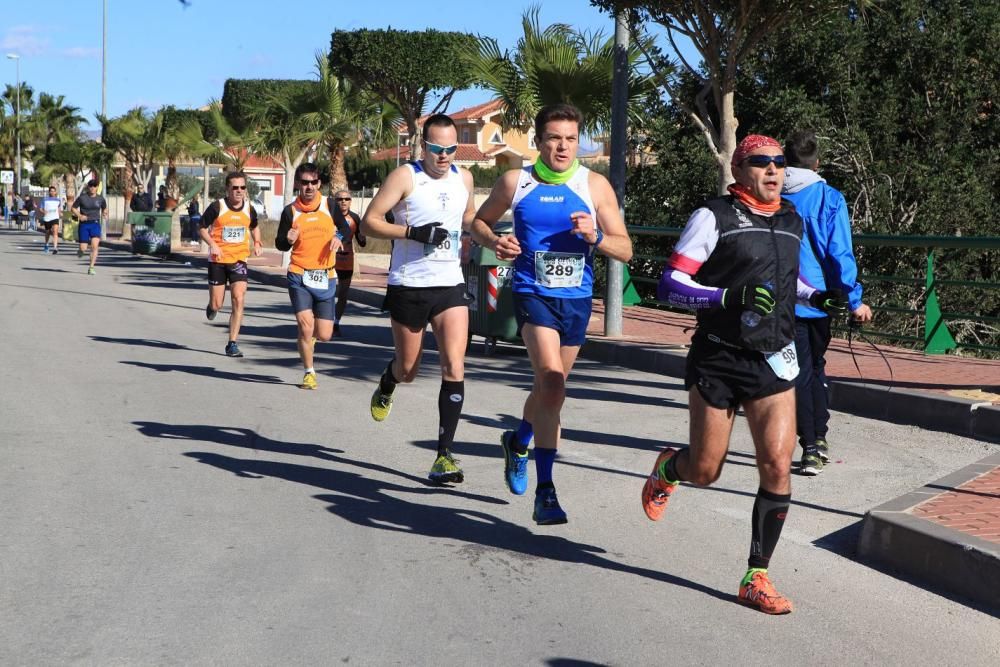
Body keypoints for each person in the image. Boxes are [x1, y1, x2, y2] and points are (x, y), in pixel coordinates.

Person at [645, 134, 846, 614]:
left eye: (779, 163)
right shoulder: (713, 217)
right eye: (761, 163)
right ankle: (672, 467)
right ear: (740, 170)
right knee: (707, 470)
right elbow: (670, 284)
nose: (774, 171)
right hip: (718, 357)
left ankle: (756, 575)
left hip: (774, 356)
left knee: (777, 465)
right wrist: (725, 298)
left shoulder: (792, 219)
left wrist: (816, 298)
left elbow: (786, 281)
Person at [473, 103, 633, 525]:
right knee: (551, 381)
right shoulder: (516, 181)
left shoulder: (594, 186)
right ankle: (546, 491)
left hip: (576, 299)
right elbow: (478, 223)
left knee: (551, 393)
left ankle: (519, 440)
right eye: (554, 138)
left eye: (570, 138)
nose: (563, 146)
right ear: (539, 141)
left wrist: (595, 236)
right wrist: (497, 241)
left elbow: (625, 248)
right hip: (531, 291)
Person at [362, 113, 496, 485]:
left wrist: (492, 239)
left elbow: (468, 218)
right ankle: (388, 382)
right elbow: (369, 221)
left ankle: (444, 456)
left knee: (454, 365)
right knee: (408, 370)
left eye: (451, 149)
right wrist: (412, 232)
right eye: (438, 149)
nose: (445, 156)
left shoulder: (463, 178)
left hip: (449, 284)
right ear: (424, 145)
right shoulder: (406, 176)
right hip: (409, 284)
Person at [783, 130, 873, 475]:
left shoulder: (771, 196)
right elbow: (839, 253)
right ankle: (813, 444)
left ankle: (815, 436)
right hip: (820, 300)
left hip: (781, 298)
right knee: (812, 367)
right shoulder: (829, 198)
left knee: (803, 369)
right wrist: (854, 300)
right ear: (816, 163)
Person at [274, 164, 349, 389]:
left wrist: (339, 237)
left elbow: (345, 228)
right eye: (305, 182)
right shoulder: (290, 211)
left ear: (319, 184)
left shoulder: (330, 205)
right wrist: (287, 239)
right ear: (298, 184)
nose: (309, 187)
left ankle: (310, 339)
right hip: (299, 274)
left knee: (324, 334)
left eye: (313, 182)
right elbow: (280, 244)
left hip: (326, 276)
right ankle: (309, 372)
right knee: (305, 326)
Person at [199, 171, 262, 357]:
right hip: (218, 261)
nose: (239, 191)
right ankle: (212, 307)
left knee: (238, 298)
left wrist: (257, 242)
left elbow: (254, 226)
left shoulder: (249, 208)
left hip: (239, 260)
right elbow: (202, 228)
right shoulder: (217, 206)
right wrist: (212, 245)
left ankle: (232, 343)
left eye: (242, 187)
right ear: (227, 188)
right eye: (235, 187)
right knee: (217, 304)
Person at [332, 189, 366, 337]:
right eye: (340, 199)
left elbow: (362, 242)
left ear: (351, 201)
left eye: (347, 199)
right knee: (327, 293)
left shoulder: (355, 218)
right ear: (335, 201)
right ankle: (323, 320)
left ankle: (336, 323)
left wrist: (363, 232)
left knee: (343, 294)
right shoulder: (328, 216)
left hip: (346, 260)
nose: (344, 201)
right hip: (329, 261)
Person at [71, 180, 108, 275]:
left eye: (94, 186)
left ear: (96, 187)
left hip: (95, 223)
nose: (92, 188)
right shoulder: (82, 198)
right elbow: (73, 208)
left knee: (95, 246)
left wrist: (105, 213)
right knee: (83, 248)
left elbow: (104, 207)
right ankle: (81, 251)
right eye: (91, 186)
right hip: (84, 225)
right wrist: (80, 216)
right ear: (88, 187)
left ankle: (91, 267)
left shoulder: (100, 199)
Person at [40, 186, 63, 254]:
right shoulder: (45, 199)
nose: (52, 192)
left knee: (55, 231)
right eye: (51, 191)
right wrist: (44, 212)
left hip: (55, 217)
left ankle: (55, 248)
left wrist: (60, 213)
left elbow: (58, 209)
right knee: (48, 232)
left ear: (55, 192)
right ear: (49, 192)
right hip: (47, 218)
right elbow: (40, 208)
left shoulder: (58, 200)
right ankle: (46, 244)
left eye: (54, 191)